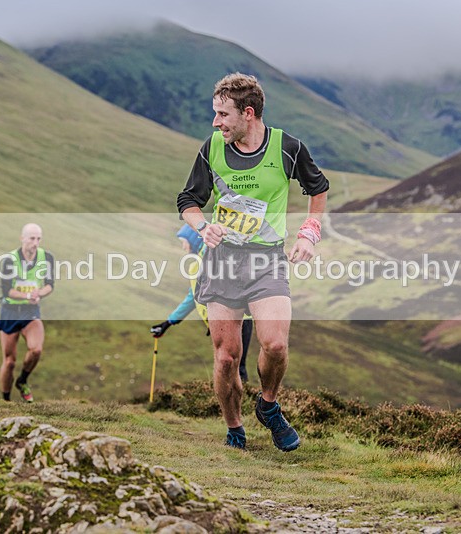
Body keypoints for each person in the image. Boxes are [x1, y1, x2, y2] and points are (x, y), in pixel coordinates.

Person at [177, 73, 329, 451]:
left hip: (266, 260)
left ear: (248, 113)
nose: (216, 123)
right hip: (223, 262)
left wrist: (309, 231)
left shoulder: (287, 148)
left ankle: (269, 405)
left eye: (223, 115)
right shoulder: (211, 148)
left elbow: (318, 188)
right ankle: (234, 429)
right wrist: (203, 226)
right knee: (227, 357)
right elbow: (188, 200)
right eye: (215, 113)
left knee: (275, 344)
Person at [150, 224, 254, 383]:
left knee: (235, 366)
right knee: (228, 364)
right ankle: (231, 404)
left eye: (184, 241)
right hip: (219, 320)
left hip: (238, 318)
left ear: (193, 239)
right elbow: (194, 297)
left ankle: (242, 404)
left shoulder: (214, 254)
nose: (183, 247)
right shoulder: (196, 264)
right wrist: (169, 322)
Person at [0, 223, 54, 403]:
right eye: (31, 238)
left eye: (38, 239)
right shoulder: (8, 260)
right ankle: (5, 400)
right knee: (9, 361)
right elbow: (7, 291)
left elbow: (49, 285)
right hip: (11, 311)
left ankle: (22, 381)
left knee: (36, 349)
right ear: (22, 238)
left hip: (30, 311)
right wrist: (27, 295)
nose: (35, 243)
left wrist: (39, 294)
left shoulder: (47, 258)